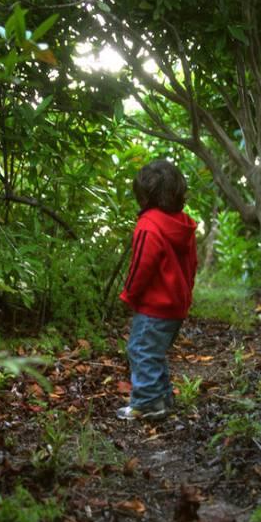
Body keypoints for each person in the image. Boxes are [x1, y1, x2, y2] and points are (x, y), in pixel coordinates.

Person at [117, 159, 198, 420]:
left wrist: (129, 294)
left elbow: (141, 265)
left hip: (155, 306)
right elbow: (192, 265)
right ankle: (162, 398)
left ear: (143, 195)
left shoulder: (149, 225)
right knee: (154, 352)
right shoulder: (183, 224)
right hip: (175, 305)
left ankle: (147, 402)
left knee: (140, 350)